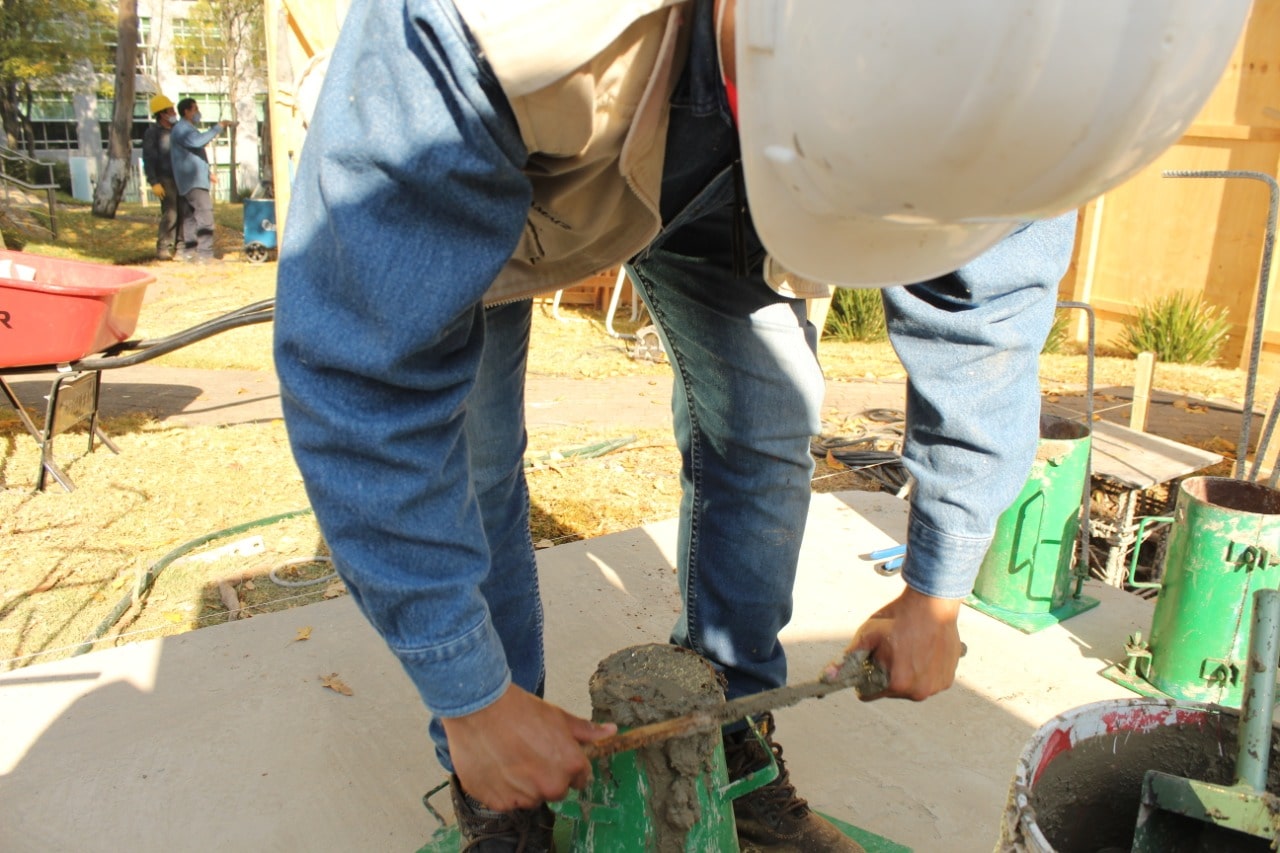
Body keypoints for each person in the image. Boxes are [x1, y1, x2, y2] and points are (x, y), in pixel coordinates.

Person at [272, 1, 1248, 850]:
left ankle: (729, 731)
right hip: (519, 162)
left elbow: (985, 317)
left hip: (755, 161)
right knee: (474, 464)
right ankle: (497, 776)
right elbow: (369, 372)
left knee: (762, 435)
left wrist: (936, 586)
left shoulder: (1052, 70)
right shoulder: (491, 24)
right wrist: (467, 689)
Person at [169, 98, 232, 263]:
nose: (198, 112)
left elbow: (194, 154)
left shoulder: (185, 129)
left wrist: (208, 173)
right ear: (187, 112)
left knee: (190, 218)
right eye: (195, 109)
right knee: (205, 216)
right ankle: (205, 254)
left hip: (190, 181)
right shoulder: (182, 129)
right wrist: (218, 127)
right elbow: (198, 142)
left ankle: (190, 254)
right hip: (193, 182)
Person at [141, 94, 183, 261]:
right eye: (171, 110)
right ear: (162, 114)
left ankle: (181, 246)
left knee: (184, 212)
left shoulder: (178, 130)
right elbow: (149, 158)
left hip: (182, 177)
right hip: (165, 178)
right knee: (171, 213)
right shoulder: (153, 133)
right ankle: (163, 247)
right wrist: (154, 182)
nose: (174, 113)